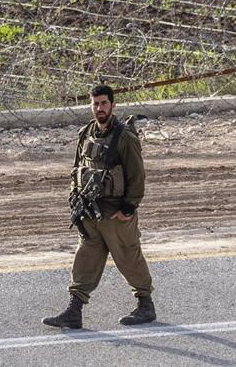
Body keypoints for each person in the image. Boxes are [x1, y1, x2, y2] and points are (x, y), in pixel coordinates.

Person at [42, 84, 156, 329]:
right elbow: (77, 168)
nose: (99, 108)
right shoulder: (85, 133)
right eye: (95, 104)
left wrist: (128, 208)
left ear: (112, 106)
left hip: (115, 212)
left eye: (104, 103)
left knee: (128, 256)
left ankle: (145, 305)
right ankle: (74, 309)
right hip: (90, 211)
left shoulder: (124, 136)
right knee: (85, 258)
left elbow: (137, 175)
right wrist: (76, 198)